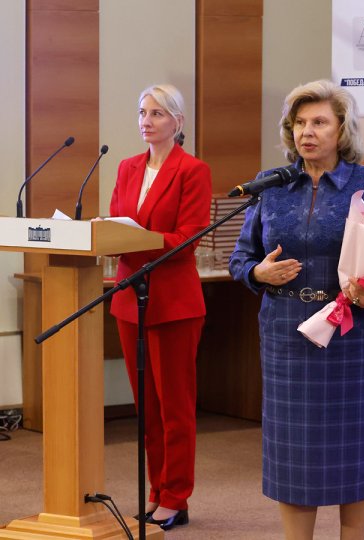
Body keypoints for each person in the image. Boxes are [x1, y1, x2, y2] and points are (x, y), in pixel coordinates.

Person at [229, 80, 364, 540]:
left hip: (352, 333)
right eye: (300, 123)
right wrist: (258, 274)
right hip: (286, 334)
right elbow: (240, 259)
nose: (307, 132)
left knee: (354, 448)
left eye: (319, 122)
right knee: (294, 452)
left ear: (341, 129)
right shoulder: (272, 185)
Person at [107, 84, 211, 531]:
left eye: (156, 113)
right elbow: (115, 223)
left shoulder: (193, 170)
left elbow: (188, 238)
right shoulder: (127, 167)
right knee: (147, 407)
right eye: (141, 112)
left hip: (174, 302)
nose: (145, 121)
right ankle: (157, 491)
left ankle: (176, 497)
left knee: (175, 406)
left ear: (177, 122)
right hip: (129, 299)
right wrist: (113, 235)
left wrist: (135, 240)